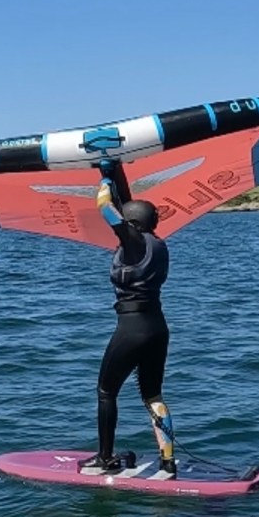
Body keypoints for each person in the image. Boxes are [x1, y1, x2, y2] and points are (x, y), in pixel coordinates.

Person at [79, 159, 176, 478]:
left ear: (132, 224)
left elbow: (105, 209)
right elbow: (122, 214)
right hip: (157, 328)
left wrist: (105, 178)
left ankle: (105, 458)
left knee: (106, 392)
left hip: (132, 329)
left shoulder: (134, 242)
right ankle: (168, 462)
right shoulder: (158, 245)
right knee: (153, 395)